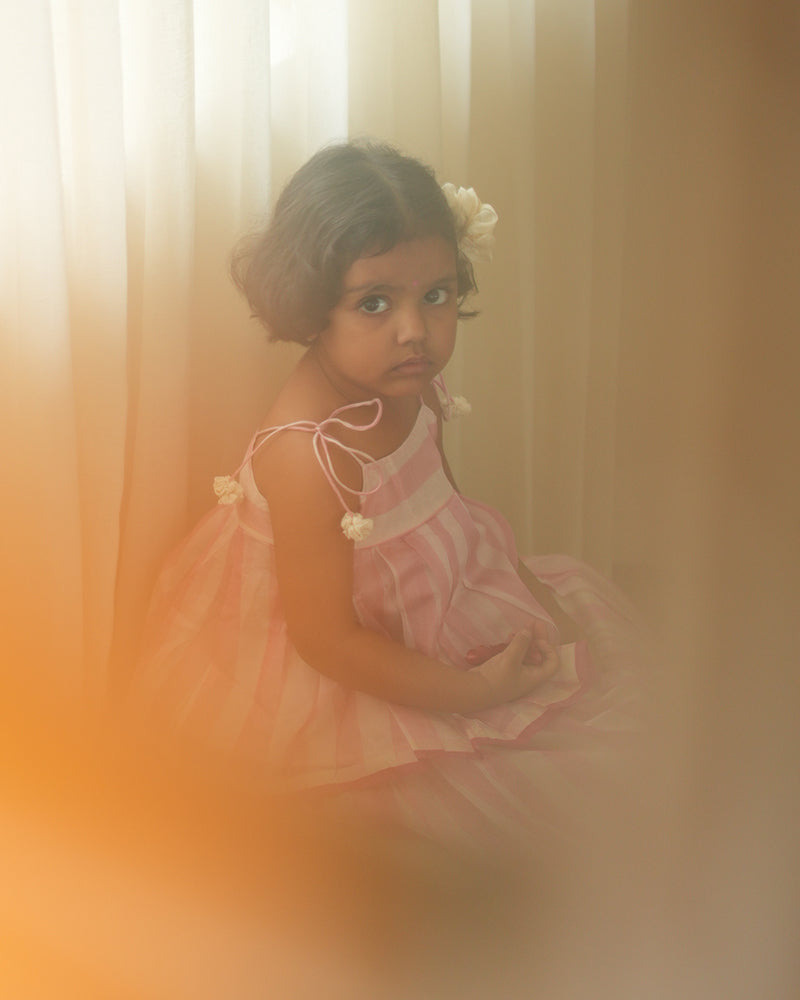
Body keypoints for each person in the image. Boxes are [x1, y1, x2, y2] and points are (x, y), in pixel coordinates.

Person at [135, 140, 641, 849]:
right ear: (313, 309)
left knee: (602, 670)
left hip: (420, 601)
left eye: (435, 295)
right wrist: (471, 692)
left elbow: (449, 506)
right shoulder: (309, 455)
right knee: (536, 793)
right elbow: (328, 640)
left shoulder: (397, 379)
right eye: (374, 303)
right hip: (328, 655)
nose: (416, 332)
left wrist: (520, 587)